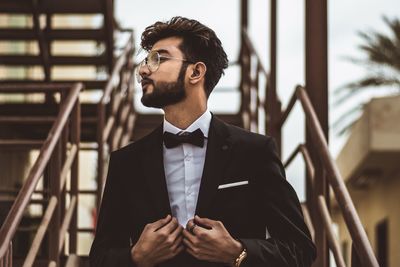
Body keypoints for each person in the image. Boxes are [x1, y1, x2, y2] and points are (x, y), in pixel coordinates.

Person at [89, 16, 316, 267]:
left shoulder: (254, 152)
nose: (143, 69)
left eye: (158, 59)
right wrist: (135, 257)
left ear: (195, 72)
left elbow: (300, 250)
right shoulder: (126, 162)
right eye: (145, 61)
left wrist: (237, 252)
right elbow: (100, 258)